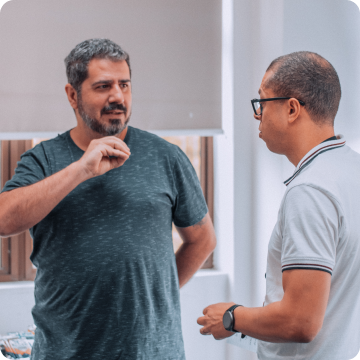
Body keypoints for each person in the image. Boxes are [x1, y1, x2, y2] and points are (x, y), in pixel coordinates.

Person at [0, 38, 216, 360]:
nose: (118, 96)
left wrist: (156, 295)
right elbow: (4, 220)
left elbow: (202, 240)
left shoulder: (166, 157)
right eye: (103, 86)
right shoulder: (43, 159)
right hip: (67, 352)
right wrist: (80, 170)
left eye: (124, 85)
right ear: (73, 95)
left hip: (154, 352)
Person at [197, 51, 360, 360]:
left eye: (262, 102)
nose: (257, 115)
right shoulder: (351, 169)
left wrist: (232, 316)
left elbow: (300, 321)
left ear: (292, 109)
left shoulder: (311, 190)